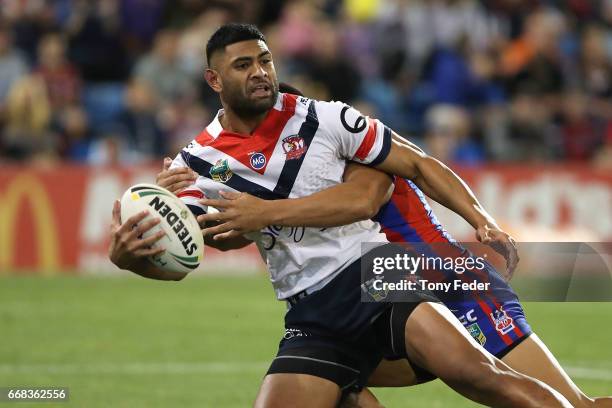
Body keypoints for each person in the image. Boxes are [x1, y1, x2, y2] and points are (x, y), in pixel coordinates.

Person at [108, 23, 572, 407]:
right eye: (243, 65)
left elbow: (411, 166)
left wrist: (480, 217)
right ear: (214, 81)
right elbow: (201, 247)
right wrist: (130, 254)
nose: (259, 72)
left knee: (478, 376)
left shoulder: (325, 120)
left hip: (376, 273)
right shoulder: (196, 162)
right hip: (310, 312)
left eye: (265, 60)